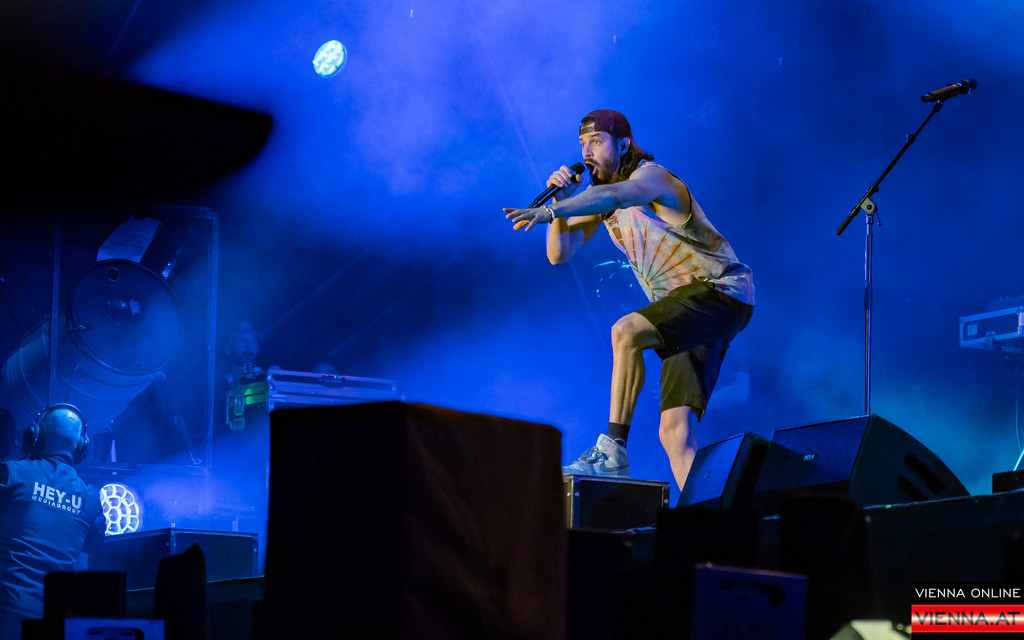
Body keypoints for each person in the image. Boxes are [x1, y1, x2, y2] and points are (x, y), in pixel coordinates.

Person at [504, 109, 754, 490]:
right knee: (674, 432)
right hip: (685, 312)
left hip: (720, 291)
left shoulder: (652, 177)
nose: (587, 152)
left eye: (596, 141)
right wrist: (560, 209)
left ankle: (612, 450)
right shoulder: (599, 202)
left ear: (623, 145)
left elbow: (619, 194)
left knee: (626, 331)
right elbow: (560, 253)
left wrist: (553, 208)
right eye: (582, 144)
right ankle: (709, 516)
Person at [0, 404, 105, 638]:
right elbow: (95, 549)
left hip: (6, 616)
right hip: (55, 624)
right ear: (82, 447)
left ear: (34, 436)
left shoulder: (12, 474)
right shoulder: (91, 498)